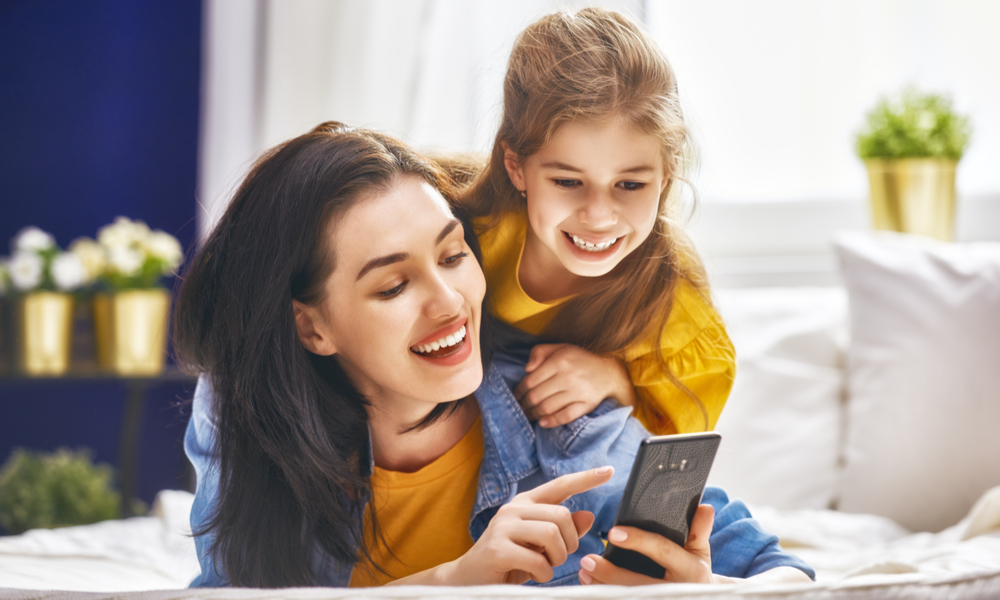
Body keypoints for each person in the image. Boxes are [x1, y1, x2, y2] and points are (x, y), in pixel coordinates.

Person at [176, 123, 814, 588]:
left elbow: (786, 575)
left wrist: (703, 594)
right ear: (311, 328)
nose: (449, 301)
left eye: (453, 256)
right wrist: (454, 584)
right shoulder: (245, 417)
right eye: (394, 285)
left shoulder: (567, 424)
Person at [455, 7, 734, 436]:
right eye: (568, 181)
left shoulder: (672, 305)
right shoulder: (457, 228)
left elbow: (678, 450)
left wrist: (615, 380)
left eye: (630, 185)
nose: (599, 216)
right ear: (516, 167)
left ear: (666, 175)